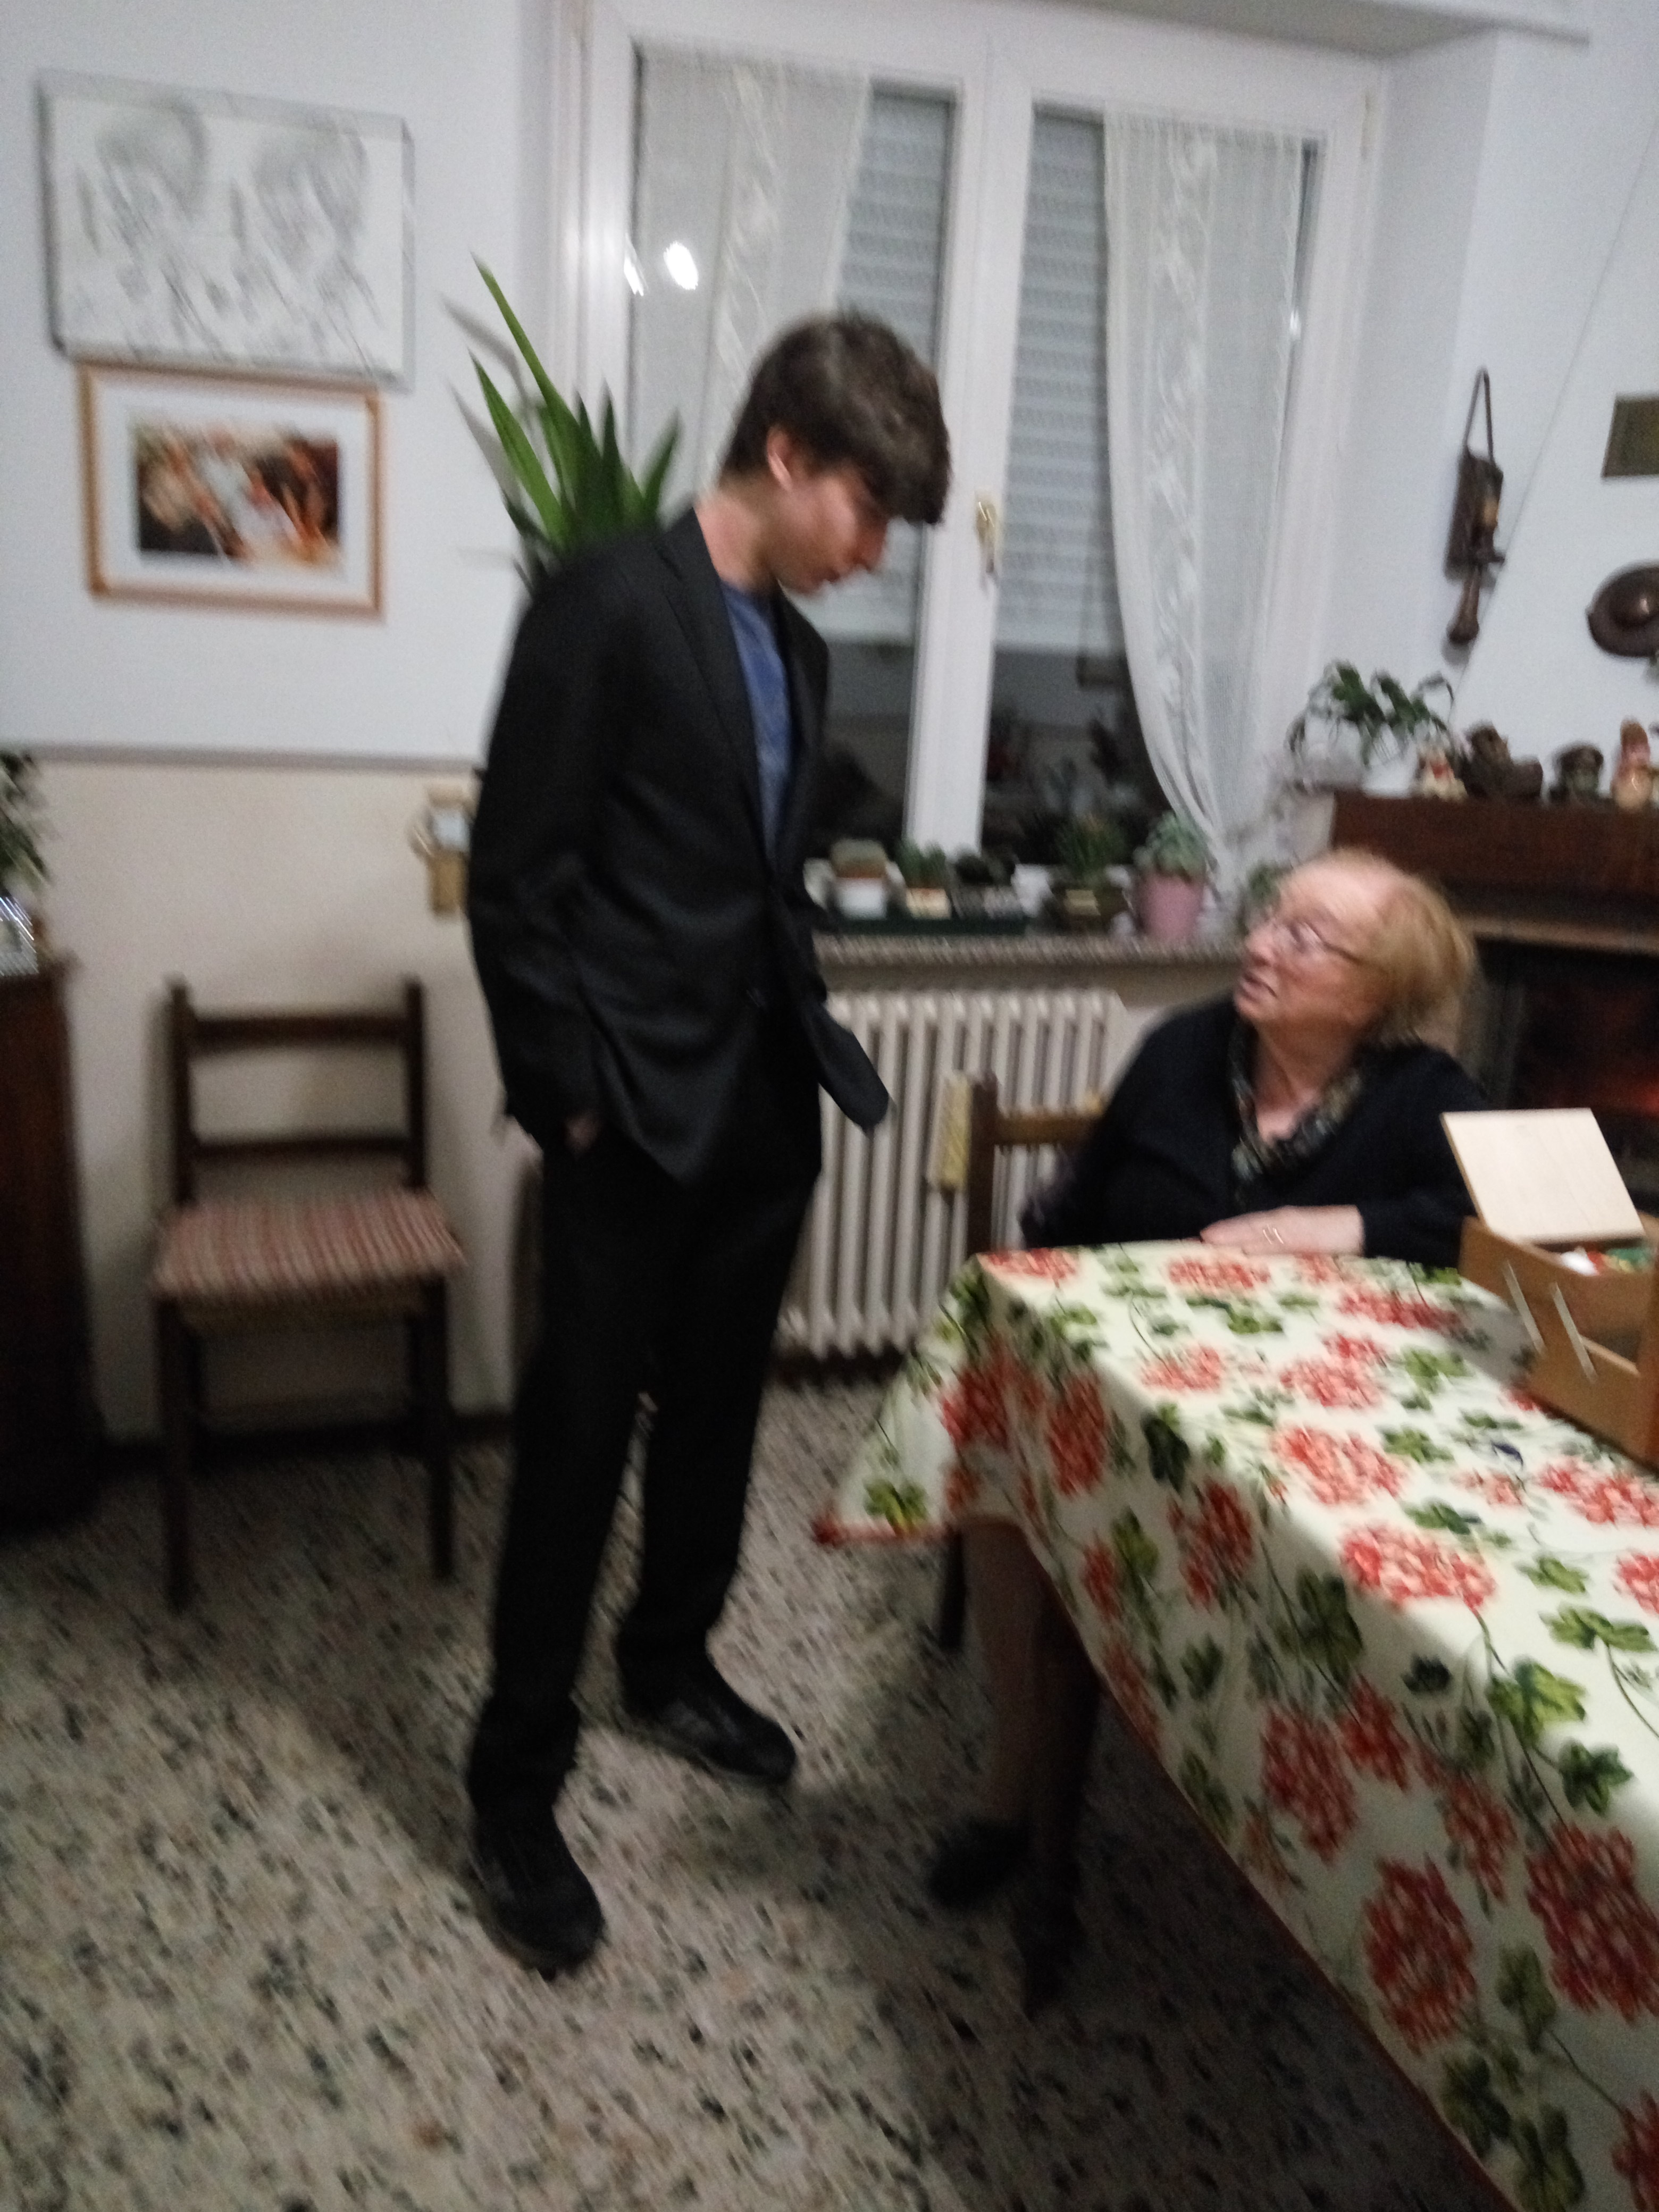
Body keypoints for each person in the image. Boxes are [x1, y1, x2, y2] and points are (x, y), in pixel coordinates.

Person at [465, 314, 951, 1975]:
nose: (872, 555)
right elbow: (516, 879)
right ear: (788, 454)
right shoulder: (605, 600)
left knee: (721, 1419)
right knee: (578, 1442)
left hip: (756, 1103)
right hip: (625, 1111)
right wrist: (568, 1094)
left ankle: (667, 1665)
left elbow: (753, 873)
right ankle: (513, 1787)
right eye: (867, 512)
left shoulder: (799, 655)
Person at [924, 850, 1484, 1988]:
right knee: (1004, 1469)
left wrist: (1344, 1227)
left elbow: (1500, 1223)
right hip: (1121, 1395)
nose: (1259, 943)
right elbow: (1072, 1211)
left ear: (1375, 992)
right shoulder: (1184, 1051)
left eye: (1304, 935)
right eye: (1269, 917)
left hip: (1314, 1428)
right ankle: (1013, 1778)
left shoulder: (1429, 1096)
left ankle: (1284, 1782)